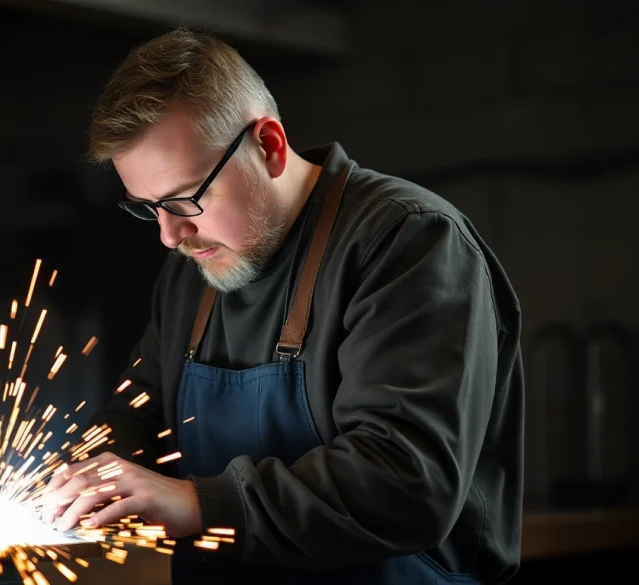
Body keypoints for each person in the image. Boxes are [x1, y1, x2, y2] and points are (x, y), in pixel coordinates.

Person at [42, 26, 524, 585]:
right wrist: (87, 480)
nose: (171, 236)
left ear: (268, 146)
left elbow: (405, 481)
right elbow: (138, 418)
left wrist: (202, 504)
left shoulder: (408, 242)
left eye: (186, 199)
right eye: (149, 209)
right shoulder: (192, 269)